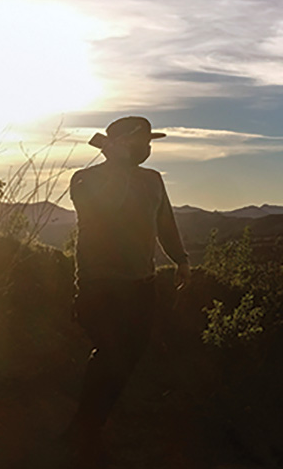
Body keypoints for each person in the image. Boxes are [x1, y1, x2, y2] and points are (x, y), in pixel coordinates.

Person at [63, 116, 191, 466]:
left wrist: (180, 259)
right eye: (141, 142)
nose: (147, 148)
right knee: (111, 353)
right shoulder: (84, 179)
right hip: (99, 285)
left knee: (129, 355)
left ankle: (92, 421)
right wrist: (119, 168)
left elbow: (165, 223)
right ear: (120, 145)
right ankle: (86, 429)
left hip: (142, 285)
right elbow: (107, 208)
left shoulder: (153, 180)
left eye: (149, 143)